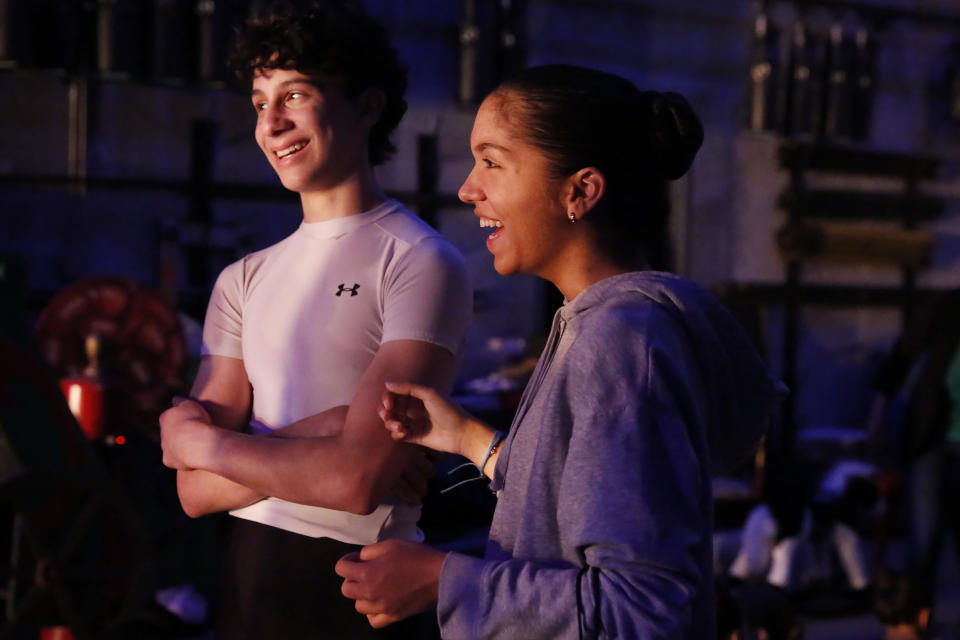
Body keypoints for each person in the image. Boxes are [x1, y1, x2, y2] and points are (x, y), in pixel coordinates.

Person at [334, 64, 785, 639]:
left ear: (580, 191)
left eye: (492, 162)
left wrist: (444, 581)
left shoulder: (622, 341)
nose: (467, 188)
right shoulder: (595, 321)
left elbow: (640, 610)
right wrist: (471, 441)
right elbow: (585, 498)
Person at [157, 3, 471, 638]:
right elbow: (193, 492)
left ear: (367, 105)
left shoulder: (419, 260)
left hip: (360, 588)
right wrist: (331, 427)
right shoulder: (243, 279)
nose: (271, 122)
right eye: (259, 101)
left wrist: (212, 445)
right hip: (248, 587)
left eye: (294, 94)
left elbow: (355, 482)